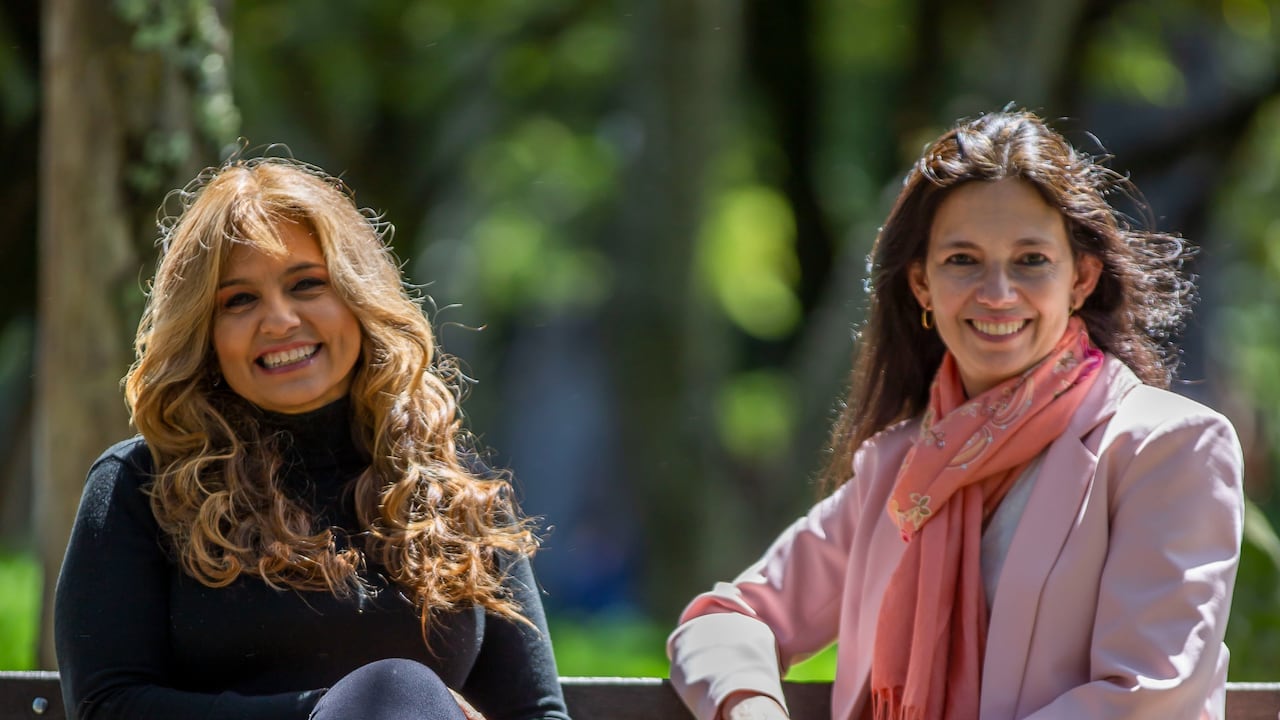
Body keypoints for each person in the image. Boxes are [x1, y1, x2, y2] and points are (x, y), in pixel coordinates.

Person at [667, 110, 1245, 720]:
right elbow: (727, 620)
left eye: (1030, 260)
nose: (997, 293)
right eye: (963, 260)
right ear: (922, 284)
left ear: (1081, 278)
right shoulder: (901, 469)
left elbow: (1150, 698)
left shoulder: (1168, 447)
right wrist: (750, 707)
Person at [54, 155, 572, 720]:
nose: (279, 321)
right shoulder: (142, 487)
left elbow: (535, 714)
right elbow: (107, 706)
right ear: (204, 331)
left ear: (359, 297)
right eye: (239, 300)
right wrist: (343, 711)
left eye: (307, 285)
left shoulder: (454, 492)